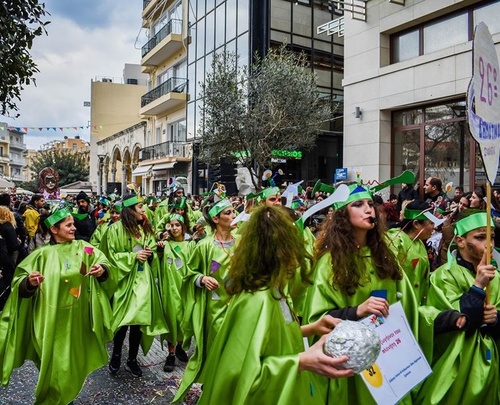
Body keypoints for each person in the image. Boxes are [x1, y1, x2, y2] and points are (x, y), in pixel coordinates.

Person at [303, 184, 462, 404]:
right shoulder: (329, 264)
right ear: (342, 216)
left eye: (370, 204)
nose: (369, 209)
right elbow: (318, 321)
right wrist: (357, 311)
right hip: (354, 369)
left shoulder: (386, 258)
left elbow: (409, 310)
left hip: (390, 360)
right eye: (358, 204)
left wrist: (445, 319)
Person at [195, 206, 353, 404]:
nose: (299, 256)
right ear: (279, 252)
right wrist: (299, 362)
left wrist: (311, 328)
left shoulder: (276, 291)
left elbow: (274, 339)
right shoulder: (257, 301)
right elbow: (241, 377)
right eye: (294, 244)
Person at [0, 208, 113, 405]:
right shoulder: (41, 255)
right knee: (55, 370)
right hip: (49, 324)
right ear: (54, 229)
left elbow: (102, 261)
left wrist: (101, 270)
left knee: (68, 369)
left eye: (73, 224)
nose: (73, 228)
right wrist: (30, 283)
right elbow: (19, 282)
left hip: (77, 323)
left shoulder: (83, 248)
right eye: (69, 225)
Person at [416, 210, 500, 404]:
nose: (489, 244)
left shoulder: (496, 277)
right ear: (461, 241)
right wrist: (478, 288)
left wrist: (495, 319)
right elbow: (459, 321)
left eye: (492, 237)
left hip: (490, 367)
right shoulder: (444, 276)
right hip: (457, 369)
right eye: (480, 237)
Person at [173, 199, 237, 402]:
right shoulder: (204, 246)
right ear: (216, 219)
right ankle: (212, 390)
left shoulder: (243, 241)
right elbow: (188, 273)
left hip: (239, 305)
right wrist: (201, 279)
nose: (233, 215)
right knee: (216, 350)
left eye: (233, 211)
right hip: (214, 310)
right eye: (228, 213)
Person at [98, 194, 167, 378]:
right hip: (123, 281)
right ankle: (116, 355)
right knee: (122, 321)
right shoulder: (114, 230)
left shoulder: (145, 229)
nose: (143, 210)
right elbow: (109, 256)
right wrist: (132, 257)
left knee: (138, 322)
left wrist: (155, 251)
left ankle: (132, 359)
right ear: (130, 211)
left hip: (143, 282)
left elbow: (150, 248)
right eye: (139, 207)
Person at [157, 213, 195, 372]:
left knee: (185, 320)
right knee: (172, 320)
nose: (174, 228)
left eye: (177, 225)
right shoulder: (165, 245)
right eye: (171, 225)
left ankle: (180, 346)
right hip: (170, 290)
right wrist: (159, 252)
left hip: (186, 290)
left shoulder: (192, 245)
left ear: (183, 226)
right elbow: (157, 266)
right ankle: (171, 354)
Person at [387, 200, 435, 305]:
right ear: (416, 224)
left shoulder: (420, 243)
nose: (434, 227)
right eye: (431, 223)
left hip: (416, 303)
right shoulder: (395, 240)